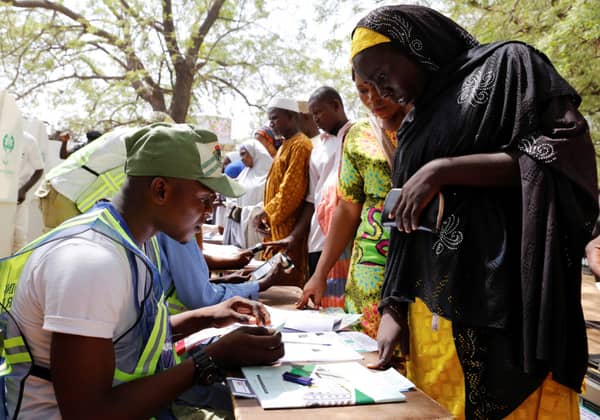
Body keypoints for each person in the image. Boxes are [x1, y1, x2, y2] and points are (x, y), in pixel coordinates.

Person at [351, 5, 598, 419]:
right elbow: (403, 221)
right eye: (367, 84)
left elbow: (561, 152)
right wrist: (393, 305)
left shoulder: (510, 66)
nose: (380, 92)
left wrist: (444, 170)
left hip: (505, 306)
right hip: (430, 317)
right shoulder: (414, 124)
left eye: (382, 76)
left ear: (416, 48)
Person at [1, 123, 283, 418]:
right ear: (160, 189)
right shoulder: (91, 263)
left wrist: (208, 316)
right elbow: (89, 413)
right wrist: (210, 359)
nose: (209, 213)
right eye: (204, 200)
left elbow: (123, 338)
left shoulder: (132, 243)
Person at [298, 78, 409, 327]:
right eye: (363, 90)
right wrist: (319, 274)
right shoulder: (359, 135)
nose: (373, 97)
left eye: (382, 85)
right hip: (370, 265)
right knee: (365, 344)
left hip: (422, 259)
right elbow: (348, 207)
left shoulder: (432, 122)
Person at [253, 97, 313, 287]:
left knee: (285, 285)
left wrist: (266, 213)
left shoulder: (300, 145)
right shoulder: (286, 145)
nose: (271, 124)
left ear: (291, 116)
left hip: (288, 229)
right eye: (270, 120)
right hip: (276, 228)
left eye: (275, 118)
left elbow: (291, 192)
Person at [223, 139, 273, 249]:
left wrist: (254, 212)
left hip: (257, 227)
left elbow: (271, 200)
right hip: (240, 226)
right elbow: (234, 194)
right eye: (240, 155)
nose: (241, 159)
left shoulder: (269, 175)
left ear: (254, 152)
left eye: (243, 154)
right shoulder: (244, 174)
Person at [13, 131, 44, 252]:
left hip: (18, 196)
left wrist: (23, 190)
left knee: (19, 236)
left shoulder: (28, 140)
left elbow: (39, 169)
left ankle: (18, 268)